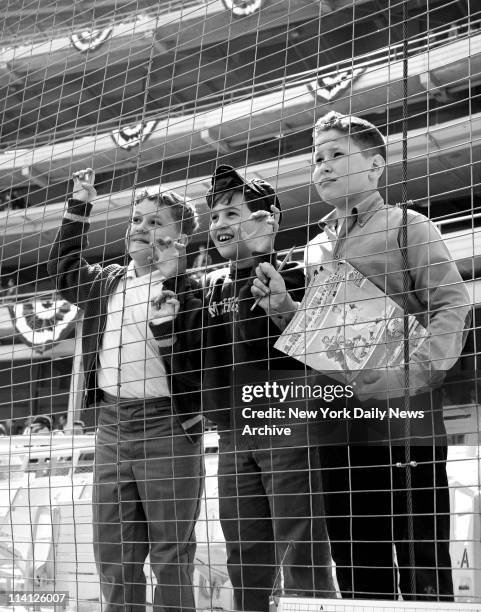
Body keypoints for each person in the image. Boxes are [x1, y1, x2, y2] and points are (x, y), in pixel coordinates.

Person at [251, 111, 471, 601]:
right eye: (317, 158)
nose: (323, 167)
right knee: (354, 556)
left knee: (420, 558)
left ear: (375, 166)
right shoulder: (314, 249)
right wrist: (284, 310)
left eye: (337, 155)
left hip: (402, 421)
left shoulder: (409, 227)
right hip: (334, 420)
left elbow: (452, 304)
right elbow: (319, 337)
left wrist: (413, 378)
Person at [48, 168, 204, 612]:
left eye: (155, 223)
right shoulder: (106, 281)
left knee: (171, 556)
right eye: (137, 219)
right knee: (115, 556)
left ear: (180, 239)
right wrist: (79, 206)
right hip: (111, 428)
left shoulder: (191, 288)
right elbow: (63, 270)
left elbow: (200, 349)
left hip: (168, 428)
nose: (140, 228)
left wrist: (176, 278)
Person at [203, 165, 335, 612]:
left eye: (231, 213)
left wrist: (261, 269)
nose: (219, 224)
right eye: (214, 216)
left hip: (287, 423)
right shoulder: (208, 287)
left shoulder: (296, 271)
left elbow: (298, 345)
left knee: (302, 551)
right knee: (244, 554)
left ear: (268, 218)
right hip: (232, 434)